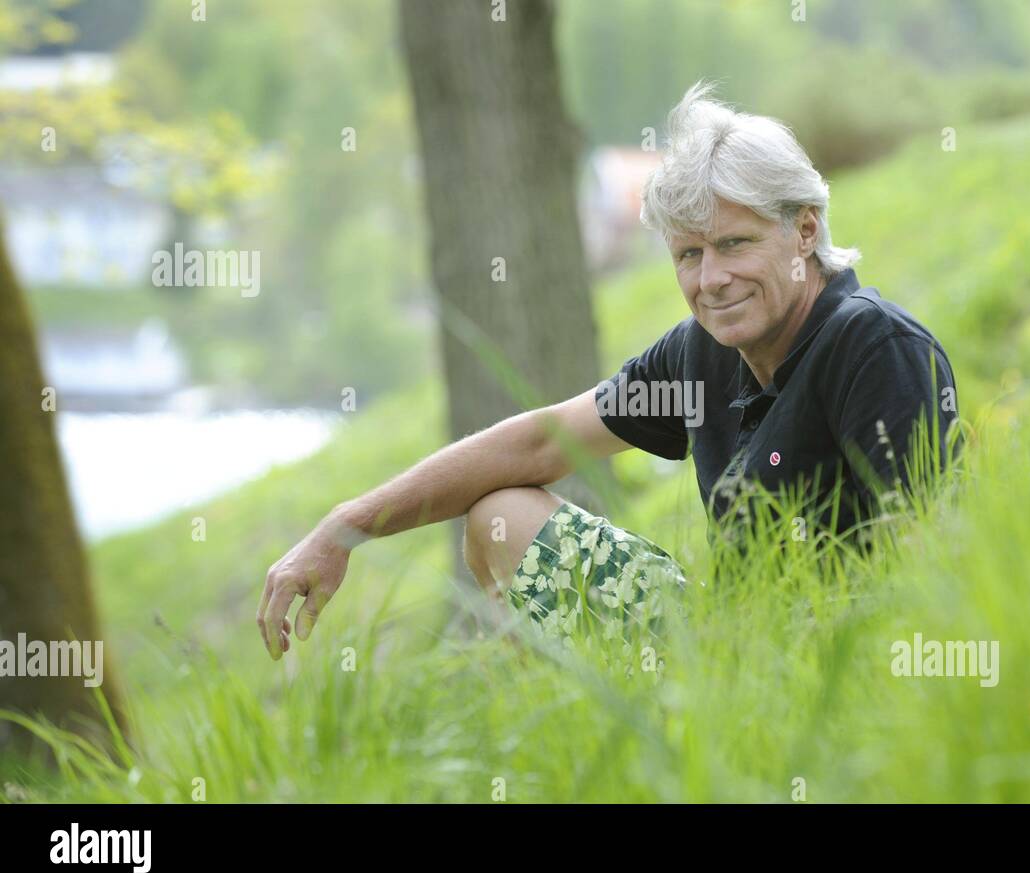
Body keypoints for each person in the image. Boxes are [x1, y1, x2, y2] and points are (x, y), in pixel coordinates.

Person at [257, 81, 959, 661]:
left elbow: (932, 565)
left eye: (734, 244)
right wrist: (344, 526)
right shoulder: (703, 353)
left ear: (804, 231)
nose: (711, 279)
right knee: (499, 515)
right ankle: (589, 728)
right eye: (689, 255)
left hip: (830, 664)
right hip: (724, 641)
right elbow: (538, 442)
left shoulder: (871, 346)